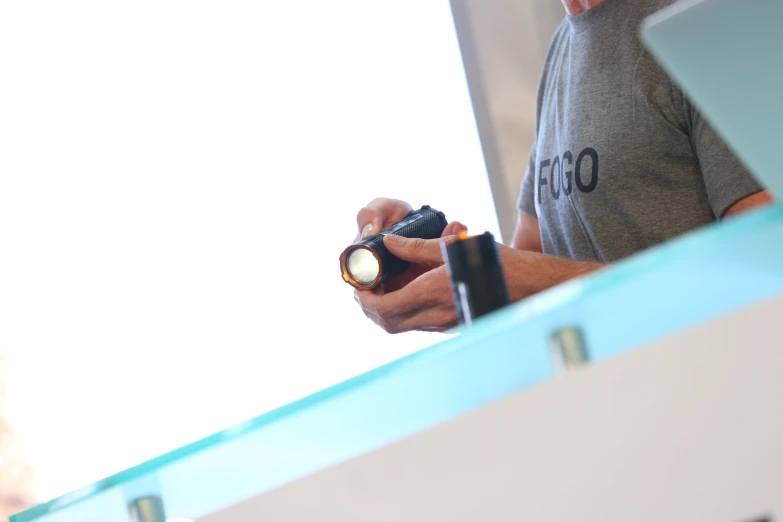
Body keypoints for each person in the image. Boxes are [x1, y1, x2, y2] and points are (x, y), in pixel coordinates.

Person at [352, 0, 774, 334]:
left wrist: (537, 279)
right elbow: (528, 267)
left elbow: (768, 271)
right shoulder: (564, 44)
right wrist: (441, 275)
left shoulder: (706, 29)